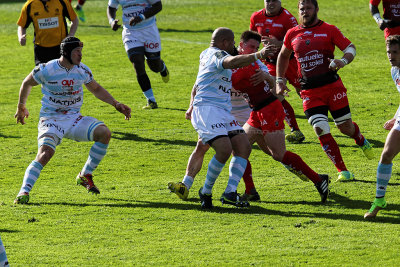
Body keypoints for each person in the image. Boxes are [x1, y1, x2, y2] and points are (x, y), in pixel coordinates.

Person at [13, 37, 131, 204]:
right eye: (77, 52)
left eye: (81, 52)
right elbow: (27, 83)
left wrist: (116, 104)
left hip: (74, 119)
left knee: (104, 133)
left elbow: (96, 88)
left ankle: (85, 175)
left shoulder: (82, 70)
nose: (80, 55)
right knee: (46, 153)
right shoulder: (47, 69)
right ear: (66, 52)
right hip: (51, 118)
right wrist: (21, 106)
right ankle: (23, 192)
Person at [276, 0, 374, 182]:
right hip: (309, 91)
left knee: (345, 128)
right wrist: (280, 80)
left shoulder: (329, 29)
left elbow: (350, 48)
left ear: (316, 9)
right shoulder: (292, 33)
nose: (305, 12)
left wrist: (342, 61)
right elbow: (283, 55)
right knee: (320, 128)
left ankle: (359, 138)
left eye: (308, 8)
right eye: (301, 9)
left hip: (332, 87)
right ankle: (343, 171)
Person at [232, 31, 329, 203]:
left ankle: (319, 180)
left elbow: (273, 83)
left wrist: (268, 78)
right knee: (239, 149)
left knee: (278, 154)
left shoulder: (253, 64)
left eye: (256, 47)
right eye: (251, 47)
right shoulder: (233, 61)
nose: (254, 50)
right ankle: (251, 191)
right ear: (241, 45)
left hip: (269, 108)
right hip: (256, 111)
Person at [188, 27, 274, 209]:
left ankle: (229, 192)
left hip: (222, 110)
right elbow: (231, 62)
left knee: (243, 146)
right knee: (224, 148)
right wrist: (258, 54)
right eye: (233, 42)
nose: (234, 45)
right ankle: (206, 191)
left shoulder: (208, 54)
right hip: (207, 109)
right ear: (225, 42)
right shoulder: (215, 54)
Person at [168, 84, 260, 202]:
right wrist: (191, 106)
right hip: (216, 112)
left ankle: (249, 190)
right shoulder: (214, 67)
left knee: (248, 149)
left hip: (244, 113)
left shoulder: (252, 66)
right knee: (202, 145)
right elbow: (197, 85)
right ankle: (186, 185)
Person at [250, 0, 305, 144]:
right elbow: (253, 40)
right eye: (268, 0)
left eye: (274, 0)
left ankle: (326, 118)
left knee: (305, 93)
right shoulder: (256, 17)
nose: (271, 3)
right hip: (271, 63)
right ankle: (295, 130)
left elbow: (298, 40)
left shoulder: (288, 18)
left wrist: (279, 44)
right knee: (274, 94)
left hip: (292, 62)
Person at [107, 0, 169, 109]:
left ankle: (162, 67)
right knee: (137, 63)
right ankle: (151, 100)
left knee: (154, 66)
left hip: (149, 31)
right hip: (130, 33)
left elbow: (158, 5)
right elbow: (111, 8)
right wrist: (111, 21)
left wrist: (141, 17)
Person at [364, 35, 400, 219]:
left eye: (395, 52)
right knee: (386, 155)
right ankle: (379, 200)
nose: (391, 56)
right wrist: (395, 118)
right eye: (389, 52)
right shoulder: (395, 71)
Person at [17, 0, 79, 66]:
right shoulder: (29, 5)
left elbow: (74, 20)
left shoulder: (62, 2)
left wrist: (70, 36)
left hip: (61, 47)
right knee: (43, 75)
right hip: (41, 50)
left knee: (62, 74)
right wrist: (20, 37)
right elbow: (22, 26)